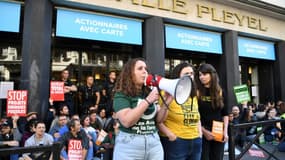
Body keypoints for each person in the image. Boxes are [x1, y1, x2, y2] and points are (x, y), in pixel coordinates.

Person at [113, 58, 165, 160]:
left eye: (145, 68)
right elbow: (127, 121)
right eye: (140, 68)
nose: (144, 71)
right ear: (130, 74)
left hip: (154, 143)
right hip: (129, 145)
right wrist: (148, 100)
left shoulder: (149, 92)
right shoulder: (121, 95)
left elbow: (160, 120)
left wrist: (167, 101)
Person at [157, 62, 202, 160]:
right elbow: (159, 120)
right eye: (186, 74)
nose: (190, 76)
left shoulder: (193, 95)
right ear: (178, 76)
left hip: (195, 140)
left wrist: (199, 134)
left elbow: (197, 115)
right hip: (176, 142)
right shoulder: (166, 93)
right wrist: (170, 135)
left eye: (191, 73)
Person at [195, 63, 229, 160]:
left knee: (217, 157)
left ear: (212, 74)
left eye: (204, 74)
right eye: (200, 75)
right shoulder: (197, 92)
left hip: (218, 131)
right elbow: (194, 114)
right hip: (201, 131)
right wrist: (204, 131)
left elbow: (225, 114)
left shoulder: (221, 91)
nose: (201, 77)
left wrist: (225, 132)